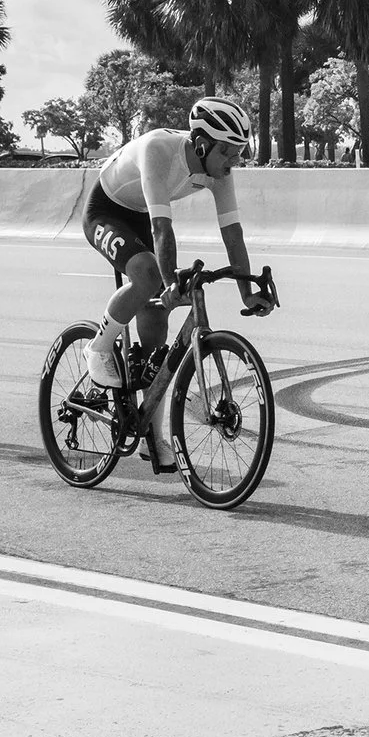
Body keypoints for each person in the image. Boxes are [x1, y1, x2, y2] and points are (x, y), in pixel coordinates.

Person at [80, 96, 274, 470]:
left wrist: (248, 292)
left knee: (155, 341)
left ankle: (150, 436)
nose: (234, 160)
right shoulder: (159, 149)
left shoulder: (219, 172)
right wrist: (169, 283)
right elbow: (161, 228)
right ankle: (98, 347)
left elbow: (233, 234)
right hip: (107, 210)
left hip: (142, 215)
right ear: (201, 144)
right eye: (228, 151)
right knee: (149, 275)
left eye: (239, 151)